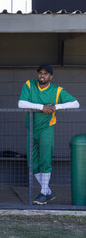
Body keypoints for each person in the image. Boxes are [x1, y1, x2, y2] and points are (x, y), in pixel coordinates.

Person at [18, 64, 79, 205]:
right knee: (32, 163)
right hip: (32, 128)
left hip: (47, 128)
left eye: (45, 73)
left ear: (50, 76)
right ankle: (48, 191)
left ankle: (43, 193)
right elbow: (21, 103)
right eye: (40, 73)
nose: (42, 75)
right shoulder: (29, 84)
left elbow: (76, 103)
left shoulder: (57, 90)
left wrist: (56, 107)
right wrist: (42, 107)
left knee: (45, 161)